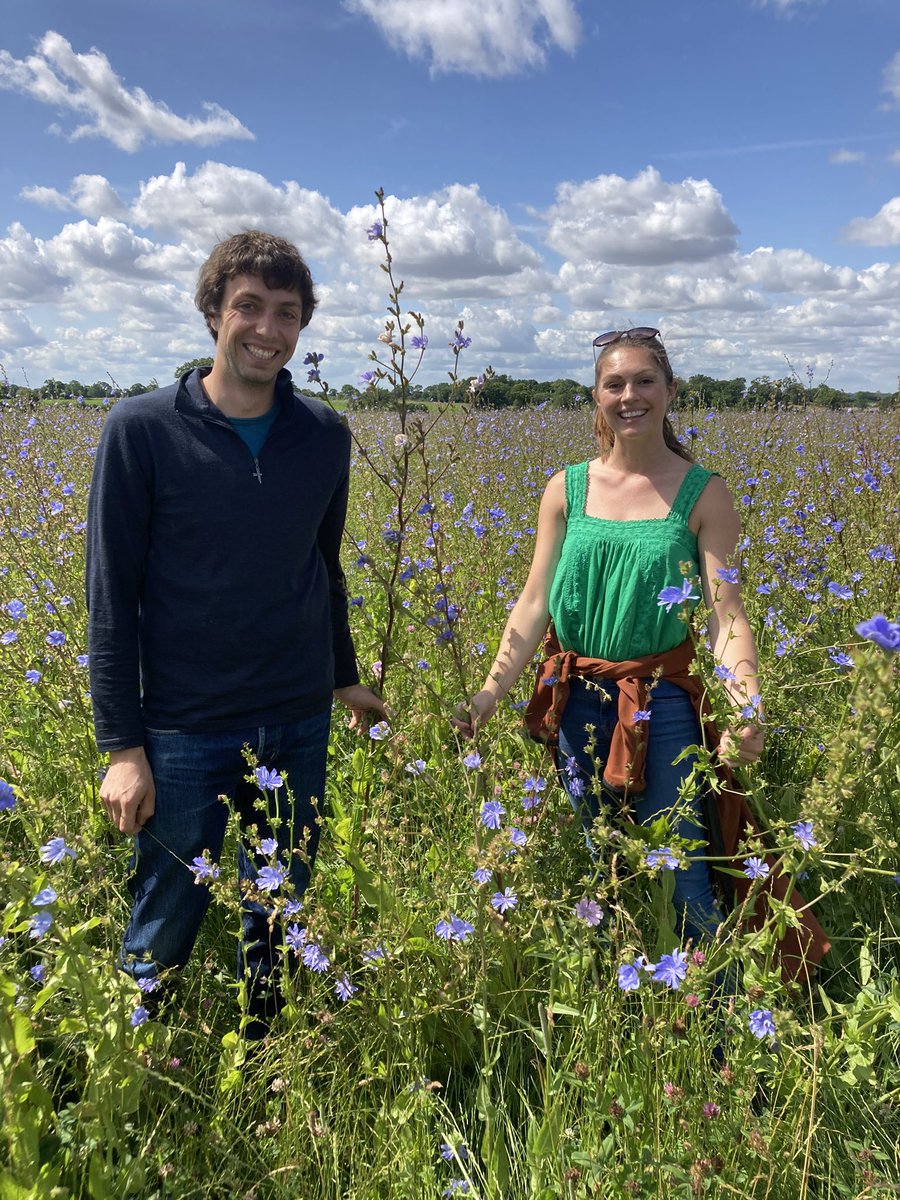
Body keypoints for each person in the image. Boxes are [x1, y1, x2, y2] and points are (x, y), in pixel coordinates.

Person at [86, 230, 385, 1033]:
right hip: (184, 727)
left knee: (280, 906)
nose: (267, 328)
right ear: (213, 311)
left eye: (286, 313)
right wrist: (123, 747)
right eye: (248, 306)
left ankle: (266, 1054)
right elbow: (110, 598)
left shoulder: (323, 434)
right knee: (167, 913)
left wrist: (343, 676)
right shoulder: (141, 430)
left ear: (302, 328)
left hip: (296, 717)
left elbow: (321, 568)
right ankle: (131, 1063)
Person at [454, 329, 764, 947]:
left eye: (645, 381)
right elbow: (535, 601)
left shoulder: (705, 492)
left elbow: (724, 615)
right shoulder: (565, 489)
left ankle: (719, 1022)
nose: (630, 395)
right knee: (605, 860)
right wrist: (489, 693)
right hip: (575, 700)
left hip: (662, 703)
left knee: (681, 871)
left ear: (671, 391)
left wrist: (746, 706)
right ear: (595, 397)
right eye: (614, 384)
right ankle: (628, 1002)